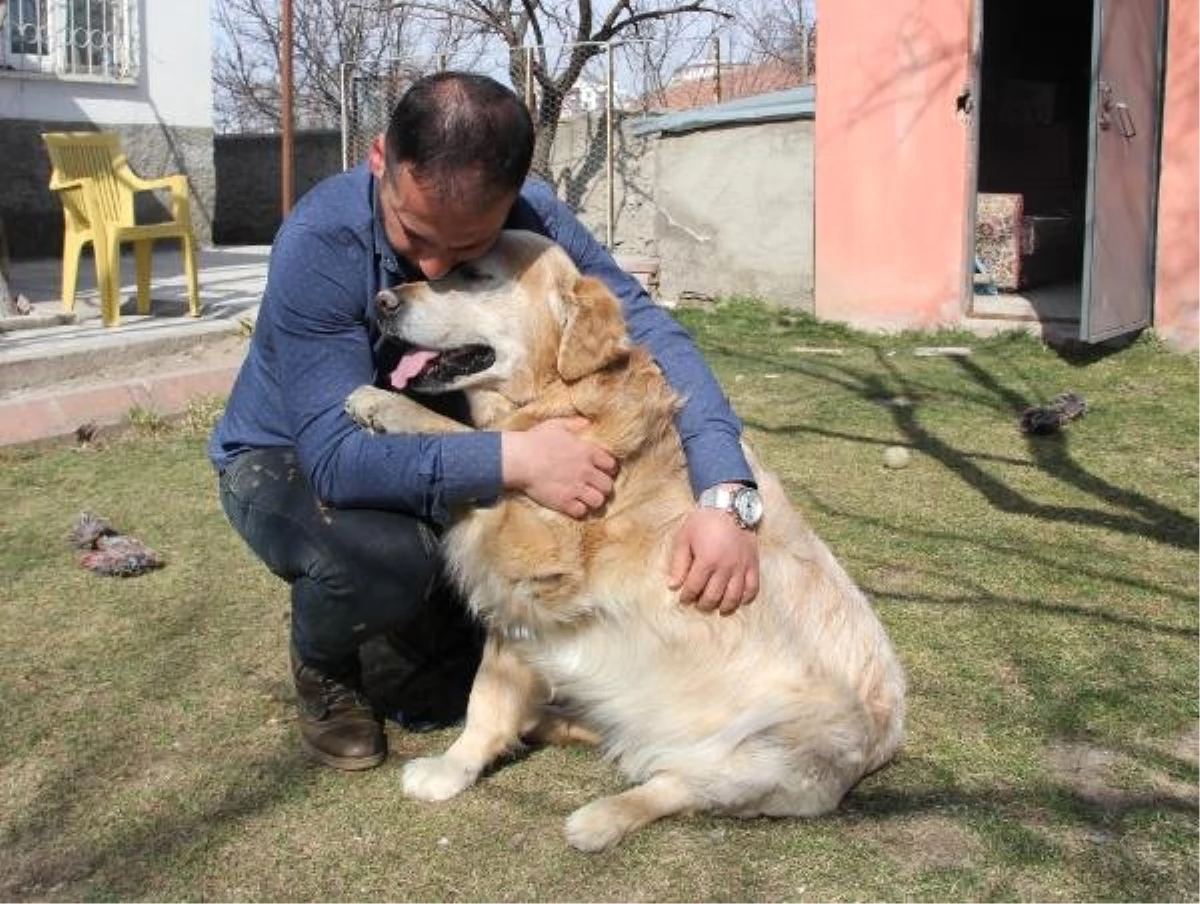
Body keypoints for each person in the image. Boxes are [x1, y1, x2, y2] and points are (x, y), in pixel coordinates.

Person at [208, 71, 761, 772]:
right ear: (380, 157)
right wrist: (520, 461)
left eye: (468, 253)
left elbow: (655, 336)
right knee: (386, 558)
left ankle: (416, 634)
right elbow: (336, 456)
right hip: (286, 453)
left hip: (439, 440)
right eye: (414, 234)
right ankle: (325, 667)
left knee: (445, 687)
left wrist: (725, 496)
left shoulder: (536, 216)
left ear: (514, 200)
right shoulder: (320, 242)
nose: (432, 266)